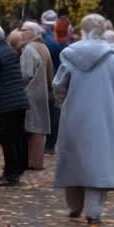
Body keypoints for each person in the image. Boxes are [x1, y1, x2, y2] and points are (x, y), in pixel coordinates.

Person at [53, 14, 114, 224]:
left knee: (73, 158)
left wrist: (63, 102)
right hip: (103, 116)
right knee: (99, 162)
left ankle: (74, 206)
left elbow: (59, 85)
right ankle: (94, 211)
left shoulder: (69, 55)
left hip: (73, 114)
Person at [0, 24, 30, 186]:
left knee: (7, 139)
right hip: (19, 101)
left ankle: (10, 174)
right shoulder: (10, 51)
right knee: (18, 137)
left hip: (5, 103)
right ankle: (18, 169)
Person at [20, 21, 53, 171]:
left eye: (24, 30)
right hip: (42, 91)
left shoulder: (29, 49)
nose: (21, 33)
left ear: (32, 32)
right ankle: (37, 161)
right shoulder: (44, 47)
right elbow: (50, 72)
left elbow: (25, 74)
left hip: (30, 92)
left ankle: (31, 162)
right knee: (39, 127)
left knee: (31, 127)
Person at [42, 11, 66, 154]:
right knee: (55, 112)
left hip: (46, 78)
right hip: (58, 77)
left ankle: (45, 143)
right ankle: (51, 144)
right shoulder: (61, 39)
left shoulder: (46, 39)